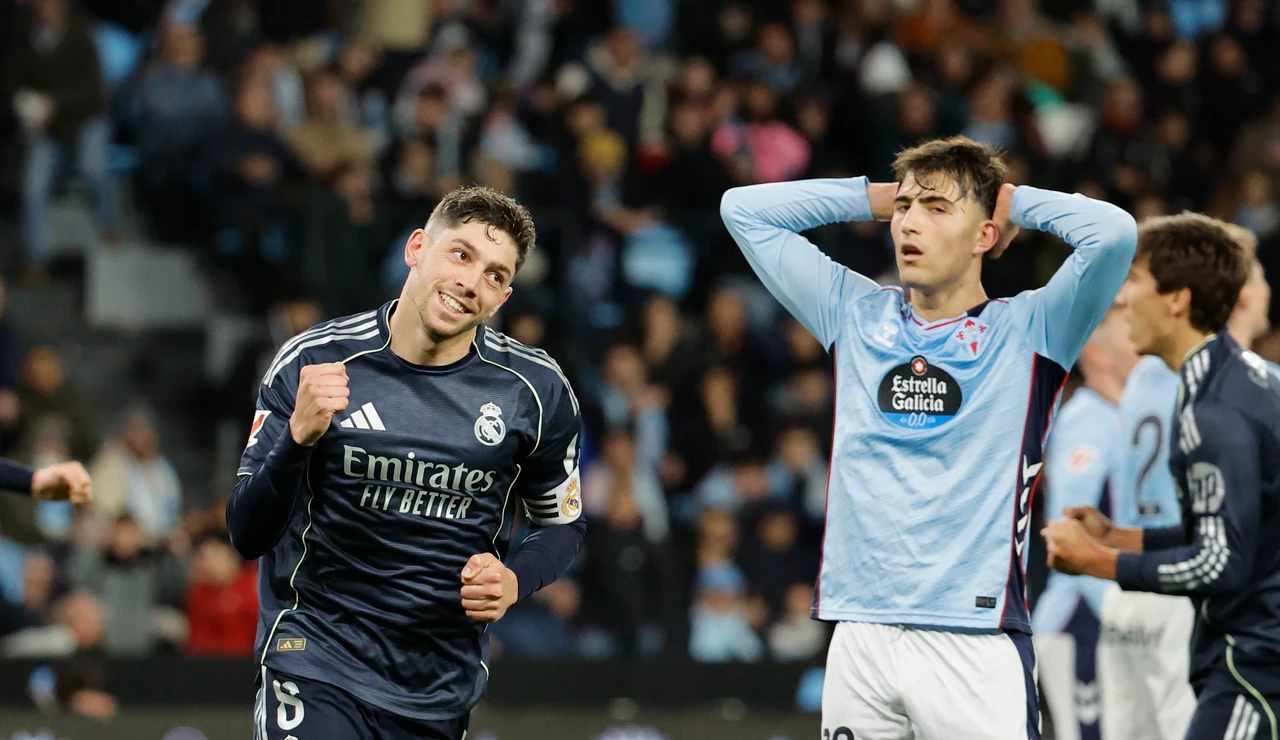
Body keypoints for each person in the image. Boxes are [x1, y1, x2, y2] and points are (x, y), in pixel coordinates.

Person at [719, 135, 1137, 738]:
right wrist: (878, 197)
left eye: (938, 209)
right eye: (906, 209)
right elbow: (743, 210)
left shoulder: (1034, 329)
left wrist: (1012, 201)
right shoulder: (854, 313)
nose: (910, 222)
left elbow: (1114, 233)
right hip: (859, 633)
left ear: (984, 236)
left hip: (973, 642)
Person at [227, 185, 586, 740]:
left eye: (494, 275)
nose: (470, 282)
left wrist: (514, 580)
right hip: (316, 658)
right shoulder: (313, 360)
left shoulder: (535, 391)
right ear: (417, 248)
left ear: (503, 298)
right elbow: (247, 532)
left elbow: (561, 524)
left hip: (438, 685)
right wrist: (297, 438)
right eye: (461, 254)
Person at [1043, 212, 1280, 739]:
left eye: (1135, 282)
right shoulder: (1222, 384)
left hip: (1256, 660)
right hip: (1233, 649)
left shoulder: (1217, 408)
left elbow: (1222, 560)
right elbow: (1229, 529)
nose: (1122, 300)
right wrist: (1122, 535)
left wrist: (1099, 561)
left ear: (1177, 298)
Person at [1032, 302, 1137, 740]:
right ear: (1099, 355)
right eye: (1128, 335)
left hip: (1120, 619)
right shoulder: (1086, 420)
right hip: (1083, 620)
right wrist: (1120, 611)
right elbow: (1068, 533)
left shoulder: (1128, 414)